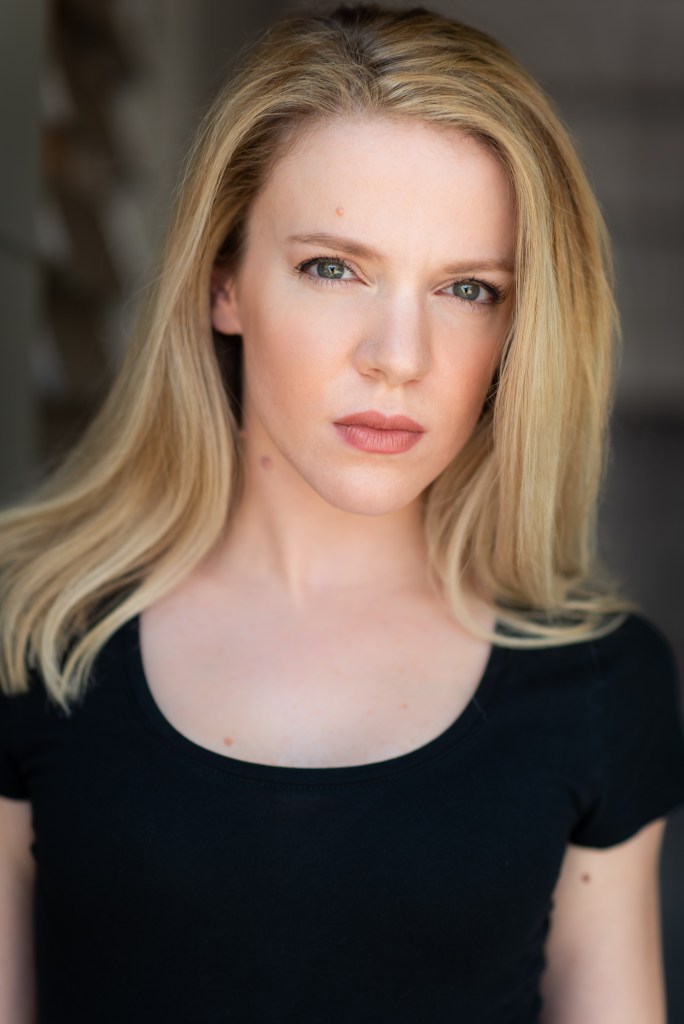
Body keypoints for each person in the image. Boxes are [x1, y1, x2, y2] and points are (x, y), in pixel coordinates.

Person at [1, 4, 684, 1021]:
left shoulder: (598, 685)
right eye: (334, 268)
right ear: (224, 283)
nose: (398, 357)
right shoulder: (34, 631)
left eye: (468, 288)